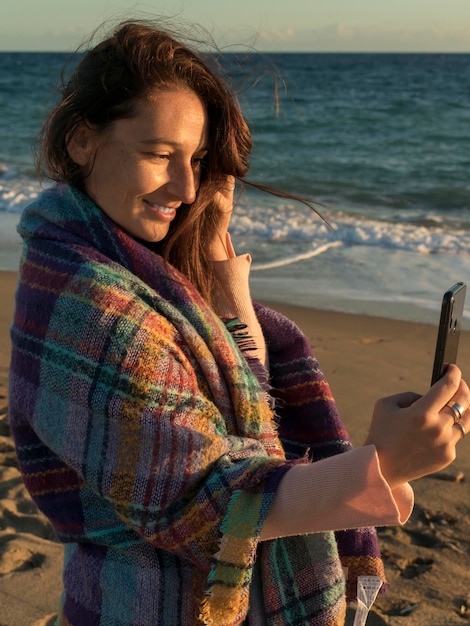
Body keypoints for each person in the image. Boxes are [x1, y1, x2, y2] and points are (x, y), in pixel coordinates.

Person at [8, 20, 469, 626]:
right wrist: (383, 464)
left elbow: (249, 419)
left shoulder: (140, 273)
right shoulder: (87, 301)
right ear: (81, 141)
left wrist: (221, 273)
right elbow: (202, 499)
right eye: (158, 154)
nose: (186, 185)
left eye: (197, 159)